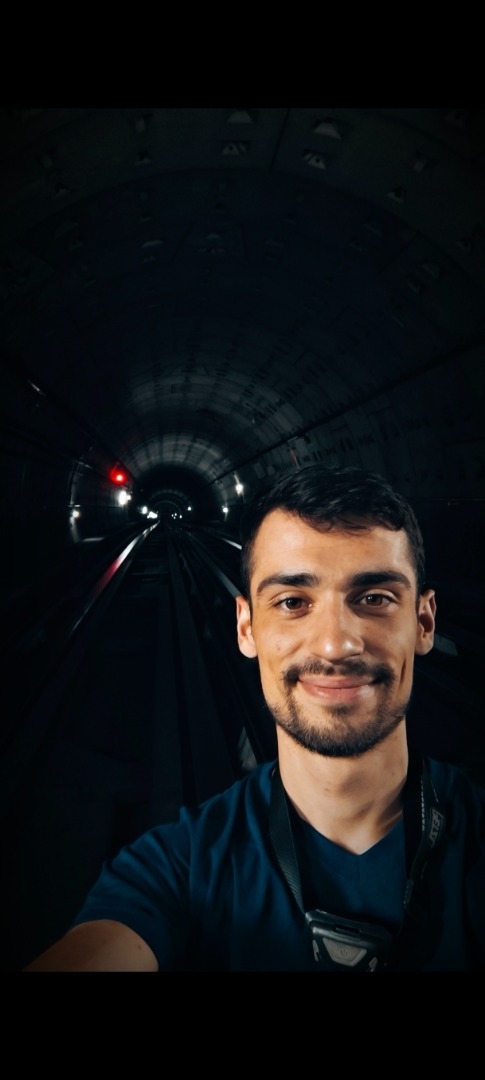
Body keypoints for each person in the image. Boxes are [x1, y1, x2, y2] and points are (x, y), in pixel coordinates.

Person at [24, 464, 485, 971]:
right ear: (245, 627)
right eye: (292, 602)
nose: (335, 644)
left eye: (375, 598)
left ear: (424, 622)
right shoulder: (174, 870)